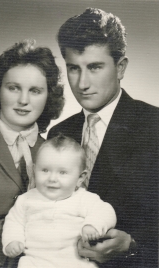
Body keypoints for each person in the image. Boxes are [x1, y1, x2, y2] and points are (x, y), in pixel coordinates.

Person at [48, 8, 159, 268]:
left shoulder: (155, 126)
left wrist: (133, 248)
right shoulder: (58, 134)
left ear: (120, 68)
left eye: (95, 67)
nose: (82, 83)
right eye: (73, 68)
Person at [0, 39, 64, 267]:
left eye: (35, 91)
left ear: (48, 97)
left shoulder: (55, 153)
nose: (23, 101)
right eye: (14, 88)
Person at [2, 134, 116, 268]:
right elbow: (14, 222)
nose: (52, 178)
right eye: (45, 170)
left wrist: (93, 225)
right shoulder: (26, 200)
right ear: (34, 170)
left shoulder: (84, 199)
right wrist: (13, 241)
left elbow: (106, 212)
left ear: (80, 177)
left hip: (75, 261)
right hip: (36, 261)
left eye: (62, 172)